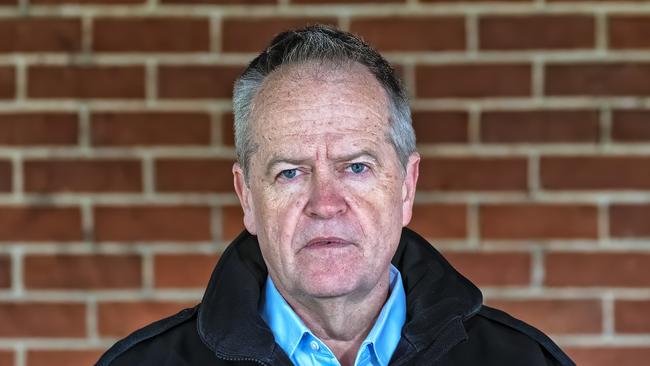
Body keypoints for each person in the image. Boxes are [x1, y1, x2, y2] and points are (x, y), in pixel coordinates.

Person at [97, 25, 575, 366]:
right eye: (289, 173)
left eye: (356, 167)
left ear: (406, 188)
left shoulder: (523, 359)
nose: (325, 203)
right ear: (247, 198)